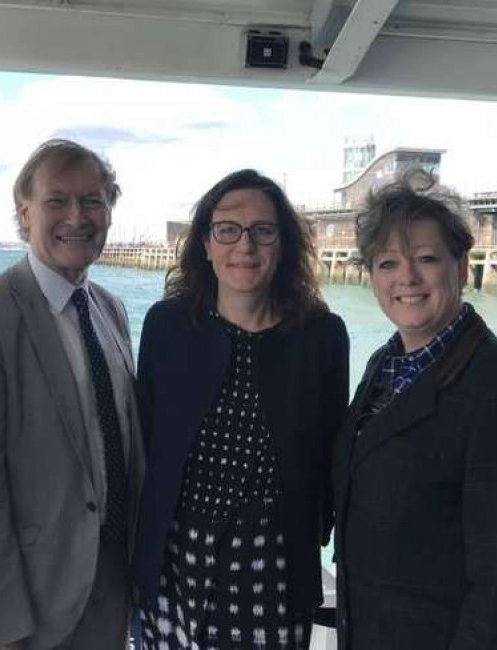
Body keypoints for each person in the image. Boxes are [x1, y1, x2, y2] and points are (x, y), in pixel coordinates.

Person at [133, 169, 349, 649]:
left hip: (271, 570)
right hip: (172, 565)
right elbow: (146, 439)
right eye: (227, 229)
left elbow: (334, 452)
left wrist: (320, 529)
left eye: (263, 231)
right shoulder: (167, 325)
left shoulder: (322, 335)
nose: (244, 246)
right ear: (206, 244)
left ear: (284, 244)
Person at [333, 174, 497, 649]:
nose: (407, 278)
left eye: (426, 259)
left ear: (462, 266)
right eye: (388, 262)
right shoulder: (387, 363)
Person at [0, 139, 144, 650]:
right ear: (24, 213)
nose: (77, 216)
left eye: (94, 200)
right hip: (28, 604)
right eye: (57, 200)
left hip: (111, 585)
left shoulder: (111, 309)